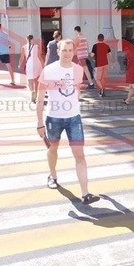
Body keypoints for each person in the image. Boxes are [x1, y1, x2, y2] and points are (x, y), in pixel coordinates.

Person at [36, 39, 99, 205]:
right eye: (64, 50)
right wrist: (40, 123)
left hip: (73, 118)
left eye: (70, 50)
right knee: (53, 149)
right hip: (53, 118)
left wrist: (73, 102)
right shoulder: (48, 70)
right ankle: (53, 176)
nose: (67, 53)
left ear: (74, 52)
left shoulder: (78, 70)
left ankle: (85, 194)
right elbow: (40, 99)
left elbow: (76, 91)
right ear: (58, 51)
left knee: (79, 155)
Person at [20, 34, 43, 103]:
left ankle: (32, 91)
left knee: (30, 81)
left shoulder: (23, 47)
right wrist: (43, 65)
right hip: (37, 64)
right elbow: (39, 57)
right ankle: (36, 94)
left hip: (29, 64)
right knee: (36, 81)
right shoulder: (36, 46)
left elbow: (22, 58)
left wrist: (19, 65)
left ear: (26, 39)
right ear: (33, 39)